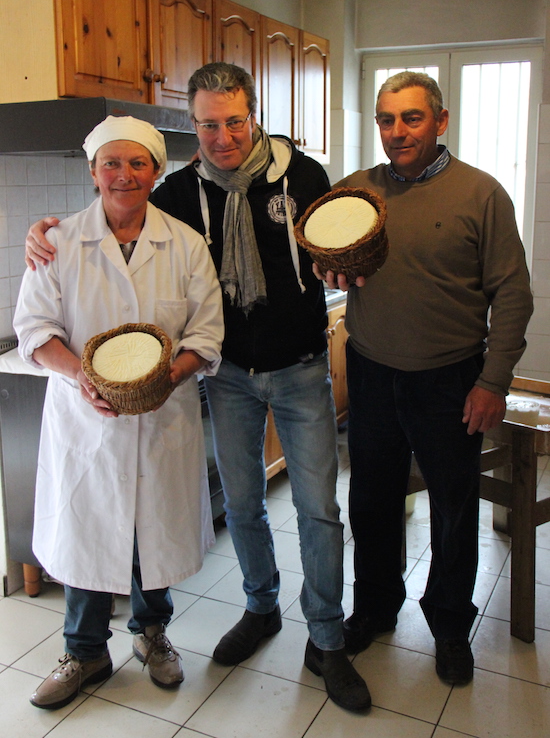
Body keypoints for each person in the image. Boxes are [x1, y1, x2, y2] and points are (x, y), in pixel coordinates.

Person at [24, 63, 371, 713]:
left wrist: (344, 269)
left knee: (319, 508)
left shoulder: (302, 177)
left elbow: (326, 250)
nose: (222, 136)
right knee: (238, 505)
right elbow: (81, 258)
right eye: (208, 124)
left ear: (253, 114)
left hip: (297, 365)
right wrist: (40, 232)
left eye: (233, 120)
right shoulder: (172, 197)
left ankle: (326, 639)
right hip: (229, 377)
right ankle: (256, 607)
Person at [316, 71, 534, 686]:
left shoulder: (480, 194)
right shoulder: (357, 191)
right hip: (373, 369)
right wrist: (325, 268)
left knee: (453, 508)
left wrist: (494, 381)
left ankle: (447, 624)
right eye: (387, 120)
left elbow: (513, 293)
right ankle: (376, 608)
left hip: (451, 377)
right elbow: (315, 242)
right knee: (373, 500)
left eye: (411, 118)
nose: (397, 132)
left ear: (440, 122)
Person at [14, 115, 224, 710]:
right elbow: (33, 328)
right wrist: (84, 375)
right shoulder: (57, 243)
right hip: (86, 421)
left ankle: (151, 635)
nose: (124, 175)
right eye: (112, 163)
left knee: (149, 531)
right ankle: (84, 652)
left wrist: (168, 377)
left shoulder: (184, 244)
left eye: (137, 163)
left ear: (157, 172)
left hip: (162, 417)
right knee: (88, 529)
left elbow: (206, 333)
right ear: (93, 171)